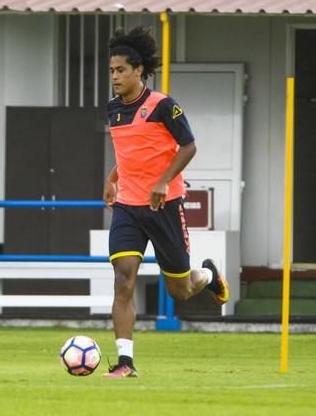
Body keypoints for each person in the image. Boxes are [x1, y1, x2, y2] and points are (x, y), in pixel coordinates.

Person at [102, 27, 228, 378]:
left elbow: (188, 147)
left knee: (180, 291)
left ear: (138, 70)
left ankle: (207, 274)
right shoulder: (113, 110)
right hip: (127, 207)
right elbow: (129, 152)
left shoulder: (163, 106)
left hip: (165, 206)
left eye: (120, 70)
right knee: (123, 278)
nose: (114, 76)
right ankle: (125, 363)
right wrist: (112, 179)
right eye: (111, 70)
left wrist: (162, 181)